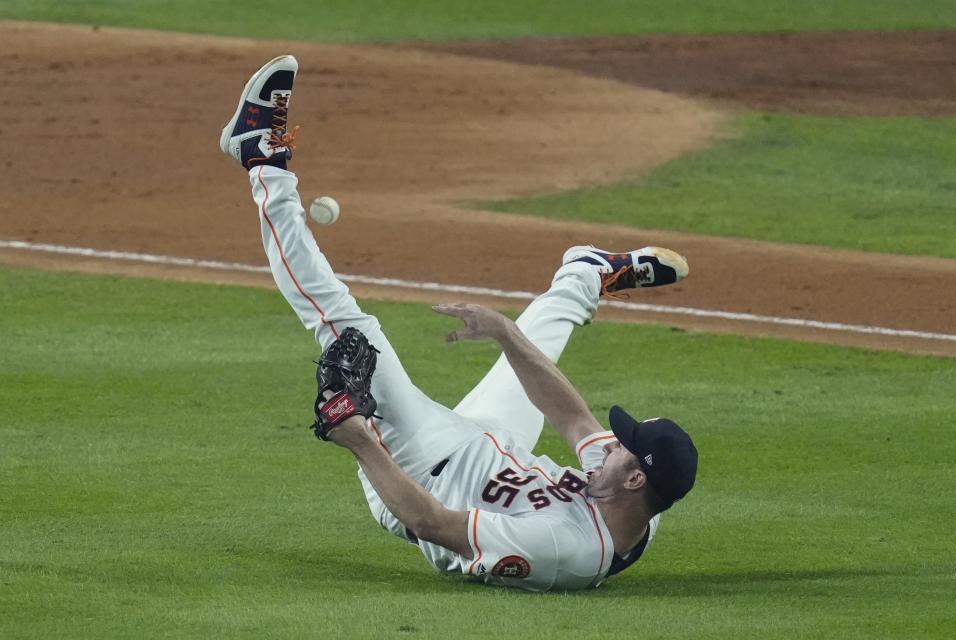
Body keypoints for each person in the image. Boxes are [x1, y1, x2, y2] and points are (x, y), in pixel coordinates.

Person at [220, 55, 699, 592]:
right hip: (492, 446)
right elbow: (574, 419)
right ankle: (585, 276)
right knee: (527, 346)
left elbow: (430, 522)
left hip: (419, 473)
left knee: (347, 325)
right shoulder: (636, 500)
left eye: (622, 448)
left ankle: (261, 157)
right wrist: (503, 331)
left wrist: (359, 441)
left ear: (635, 478)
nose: (609, 445)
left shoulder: (562, 551)